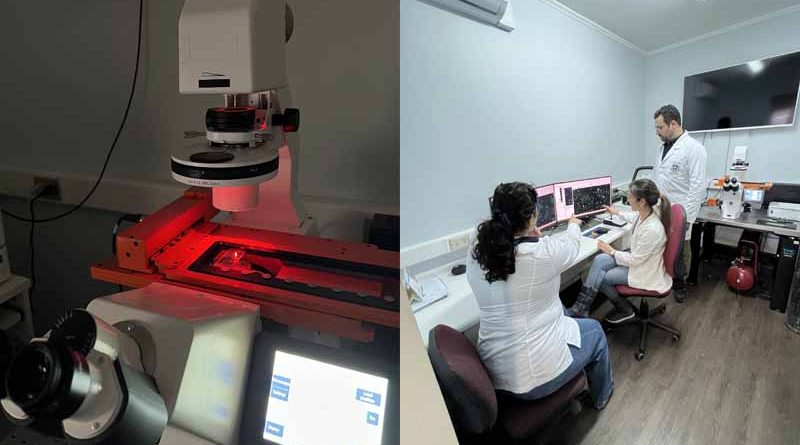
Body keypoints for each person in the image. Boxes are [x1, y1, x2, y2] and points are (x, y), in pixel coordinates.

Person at [466, 182, 614, 410]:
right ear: (532, 217)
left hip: (494, 370)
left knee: (560, 308)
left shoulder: (478, 246)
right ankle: (602, 395)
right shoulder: (542, 253)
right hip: (532, 379)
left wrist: (528, 236)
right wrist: (573, 224)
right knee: (595, 330)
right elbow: (571, 246)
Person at [566, 179, 673, 322]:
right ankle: (581, 308)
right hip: (640, 261)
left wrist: (612, 251)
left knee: (601, 277)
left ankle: (624, 309)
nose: (627, 199)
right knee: (600, 259)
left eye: (630, 196)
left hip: (644, 271)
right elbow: (633, 217)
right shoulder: (646, 213)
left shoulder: (652, 229)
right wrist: (616, 212)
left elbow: (635, 260)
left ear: (641, 201)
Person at [652, 105, 707, 302]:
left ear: (673, 124)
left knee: (680, 250)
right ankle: (663, 278)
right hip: (661, 209)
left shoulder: (694, 149)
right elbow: (658, 178)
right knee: (662, 246)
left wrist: (688, 219)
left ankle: (680, 284)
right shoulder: (662, 148)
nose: (657, 132)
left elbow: (698, 186)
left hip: (681, 210)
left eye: (660, 127)